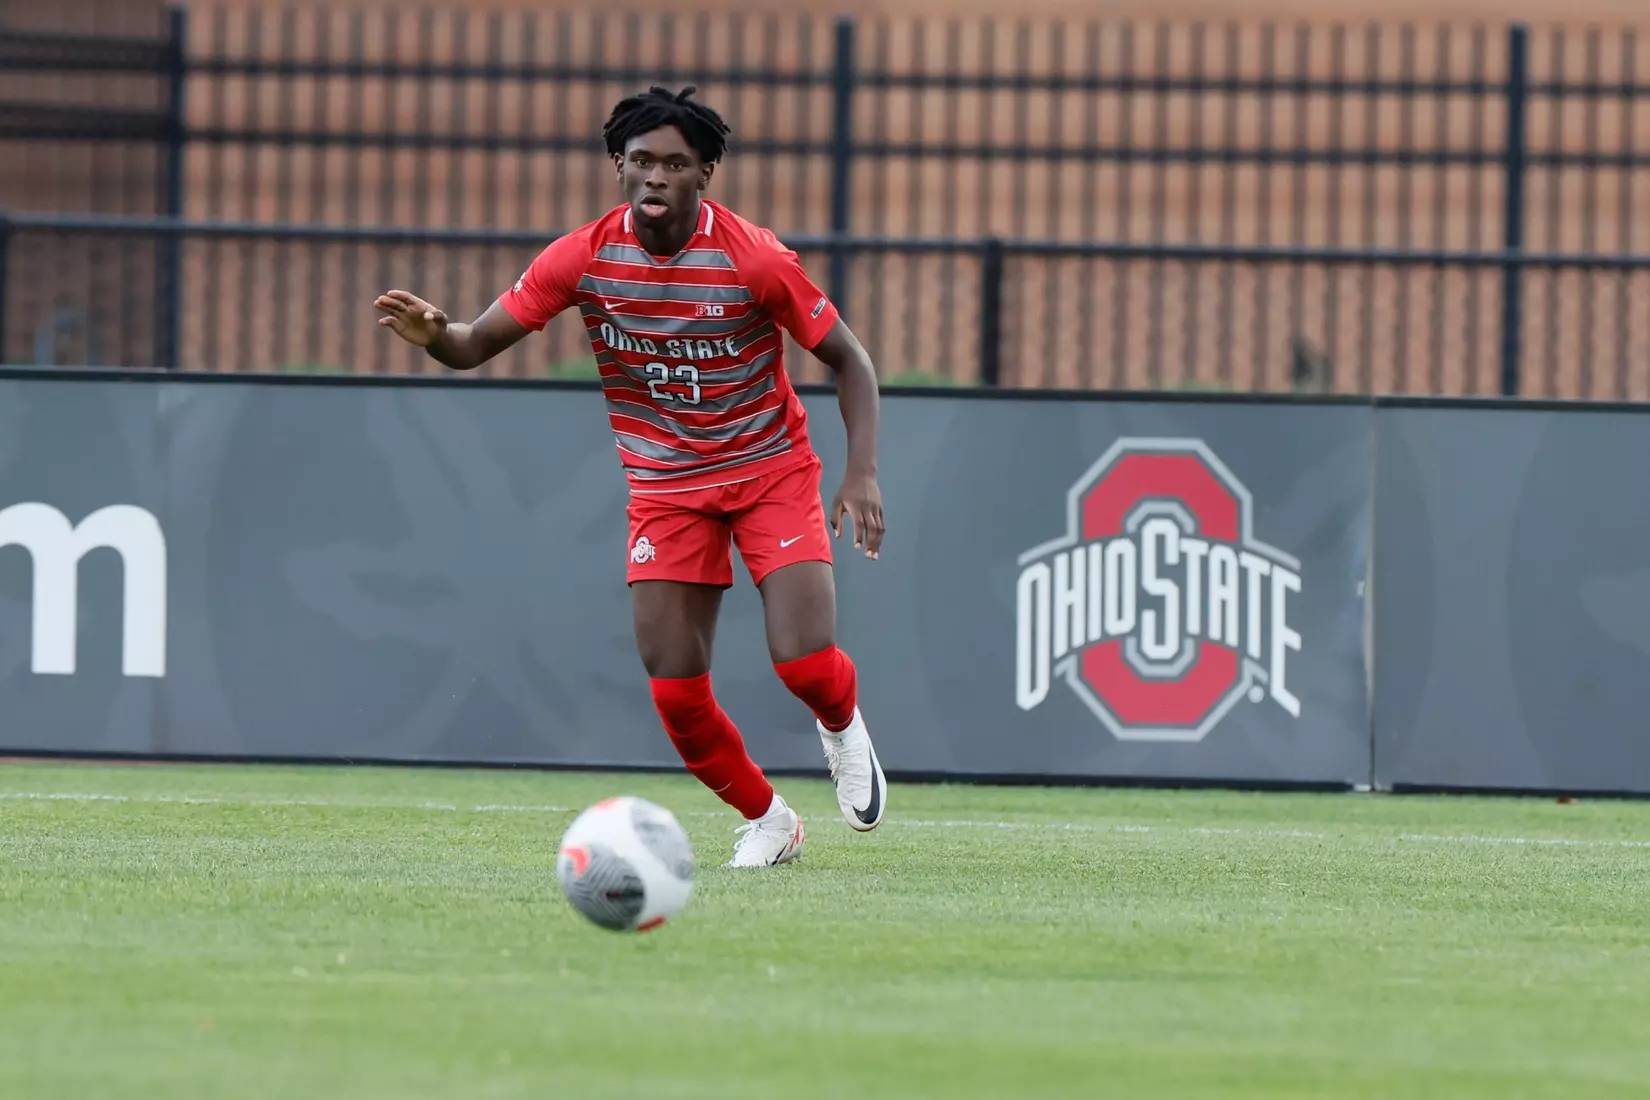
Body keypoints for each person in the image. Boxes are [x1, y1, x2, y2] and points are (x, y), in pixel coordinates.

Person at [374, 85, 887, 868]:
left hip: (767, 471)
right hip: (666, 487)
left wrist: (862, 473)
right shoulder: (582, 256)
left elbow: (850, 359)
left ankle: (842, 726)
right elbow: (474, 344)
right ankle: (770, 820)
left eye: (676, 164)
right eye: (642, 160)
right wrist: (436, 336)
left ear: (705, 174)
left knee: (804, 662)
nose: (656, 175)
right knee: (675, 690)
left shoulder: (753, 257)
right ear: (618, 164)